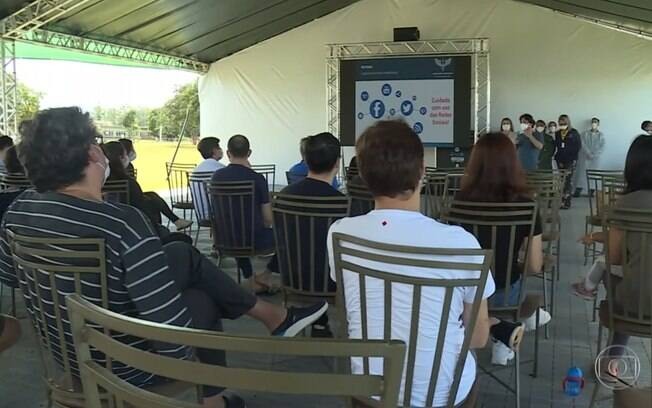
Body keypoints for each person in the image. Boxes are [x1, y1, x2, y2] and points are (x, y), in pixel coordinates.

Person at [0, 107, 327, 408]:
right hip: (128, 365)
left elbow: (12, 277)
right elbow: (171, 336)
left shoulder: (18, 211)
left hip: (67, 355)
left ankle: (269, 320)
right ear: (92, 154)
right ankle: (218, 391)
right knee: (201, 298)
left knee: (181, 253)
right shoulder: (121, 223)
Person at [328, 120, 496, 407]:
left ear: (364, 177)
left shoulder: (341, 233)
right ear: (421, 172)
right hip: (440, 395)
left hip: (368, 390)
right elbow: (478, 337)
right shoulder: (459, 243)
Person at [456, 132, 551, 365]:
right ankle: (511, 325)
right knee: (517, 289)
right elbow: (534, 266)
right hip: (506, 292)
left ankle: (502, 329)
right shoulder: (527, 205)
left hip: (465, 296)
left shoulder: (459, 202)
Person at [571, 135, 652, 365]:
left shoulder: (625, 204)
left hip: (634, 303)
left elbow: (613, 257)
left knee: (622, 278)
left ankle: (610, 363)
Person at [279, 132, 344, 338]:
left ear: (305, 160)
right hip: (330, 281)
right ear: (337, 163)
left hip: (292, 277)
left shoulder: (284, 196)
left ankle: (317, 318)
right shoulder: (342, 202)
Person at [211, 135, 279, 294]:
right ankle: (266, 275)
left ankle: (250, 278)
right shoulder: (257, 178)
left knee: (235, 226)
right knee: (290, 235)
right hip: (253, 239)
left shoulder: (217, 177)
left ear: (228, 153)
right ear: (249, 153)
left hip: (223, 239)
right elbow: (268, 219)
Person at [103, 141, 192, 245]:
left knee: (151, 196)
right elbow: (140, 205)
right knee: (152, 200)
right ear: (121, 157)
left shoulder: (101, 181)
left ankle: (170, 224)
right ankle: (162, 230)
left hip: (112, 222)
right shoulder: (128, 182)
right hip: (138, 224)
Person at [191, 137, 225, 221]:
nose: (221, 150)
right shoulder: (221, 170)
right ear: (214, 150)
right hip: (218, 215)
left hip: (201, 214)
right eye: (219, 147)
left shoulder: (196, 171)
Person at [554, 114, 582, 209]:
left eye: (564, 122)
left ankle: (567, 202)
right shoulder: (557, 133)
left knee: (568, 180)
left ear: (568, 122)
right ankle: (561, 201)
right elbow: (558, 146)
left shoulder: (574, 132)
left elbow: (578, 146)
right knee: (562, 180)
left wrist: (572, 158)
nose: (562, 124)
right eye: (560, 122)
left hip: (570, 160)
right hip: (560, 159)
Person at [574, 117, 605, 197]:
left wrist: (594, 154)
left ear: (598, 124)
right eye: (593, 122)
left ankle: (591, 191)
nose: (594, 124)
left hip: (595, 158)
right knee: (582, 174)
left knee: (594, 174)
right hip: (585, 157)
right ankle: (578, 190)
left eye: (595, 122)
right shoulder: (584, 134)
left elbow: (602, 146)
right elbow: (582, 144)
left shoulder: (601, 135)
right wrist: (588, 153)